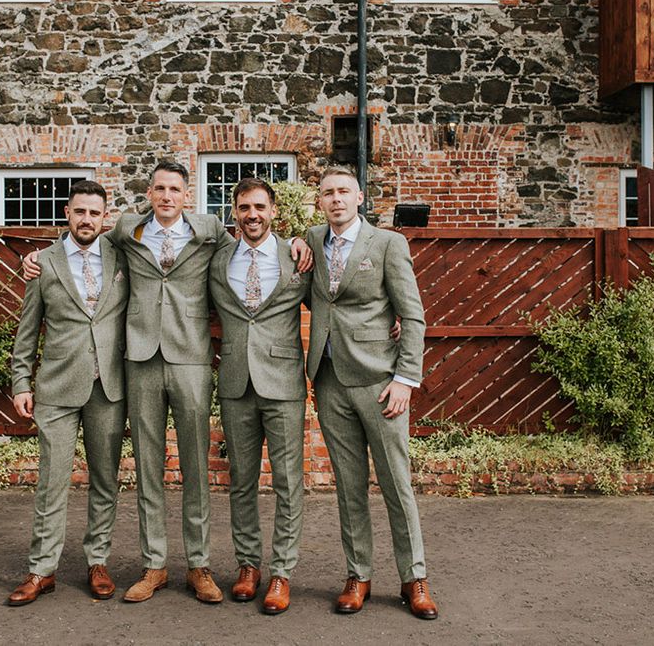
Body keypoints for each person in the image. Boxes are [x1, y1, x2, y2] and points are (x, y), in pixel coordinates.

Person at [23, 160, 312, 605]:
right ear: (150, 193)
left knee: (195, 467)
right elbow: (77, 246)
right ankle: (154, 564)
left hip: (191, 359)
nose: (166, 196)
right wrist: (36, 256)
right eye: (159, 188)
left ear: (186, 194)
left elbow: (257, 241)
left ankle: (199, 566)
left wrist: (296, 240)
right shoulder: (125, 231)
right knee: (148, 466)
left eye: (174, 189)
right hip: (138, 359)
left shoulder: (211, 230)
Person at [305, 166, 438, 619]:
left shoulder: (387, 244)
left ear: (359, 197)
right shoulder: (311, 240)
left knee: (397, 484)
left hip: (381, 383)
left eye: (344, 191)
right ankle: (358, 575)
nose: (336, 199)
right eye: (328, 193)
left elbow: (413, 316)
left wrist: (406, 379)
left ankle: (414, 578)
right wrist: (291, 245)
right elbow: (316, 294)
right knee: (349, 486)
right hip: (328, 380)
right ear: (319, 201)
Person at [8, 180, 129, 606]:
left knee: (104, 480)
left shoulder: (122, 257)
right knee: (52, 481)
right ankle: (42, 570)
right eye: (80, 212)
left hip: (109, 386)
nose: (86, 220)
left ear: (104, 217)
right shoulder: (44, 263)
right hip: (57, 388)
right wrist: (21, 381)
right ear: (66, 212)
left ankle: (98, 561)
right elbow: (27, 329)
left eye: (94, 213)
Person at [208, 178, 310, 615]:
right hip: (234, 381)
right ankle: (248, 565)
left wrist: (393, 322)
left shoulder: (298, 258)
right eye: (245, 207)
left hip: (284, 382)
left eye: (260, 207)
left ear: (273, 211)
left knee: (288, 483)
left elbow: (336, 302)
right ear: (234, 212)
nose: (252, 215)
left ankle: (281, 572)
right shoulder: (217, 261)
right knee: (241, 482)